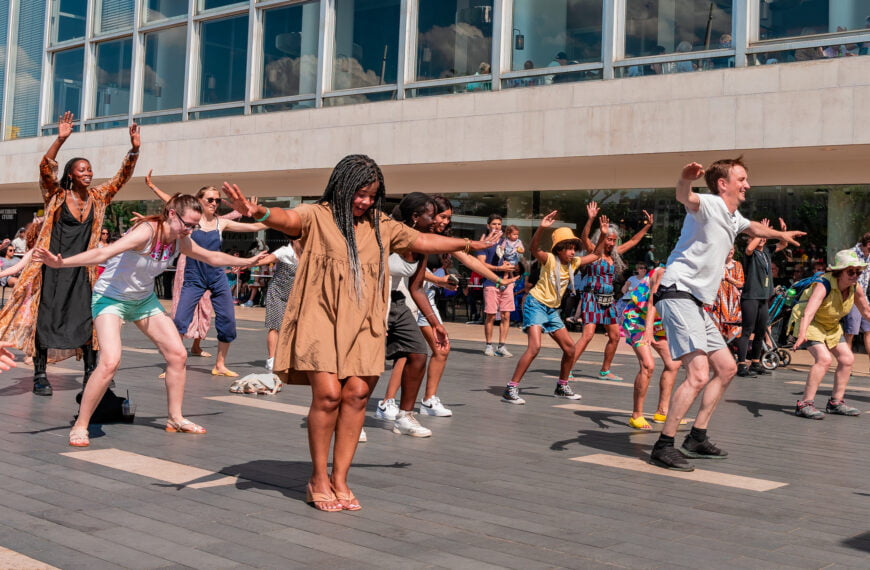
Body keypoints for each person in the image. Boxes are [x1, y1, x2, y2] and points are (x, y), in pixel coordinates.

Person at [221, 155, 498, 512]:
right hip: (320, 316)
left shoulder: (382, 226)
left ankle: (340, 479)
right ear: (341, 186)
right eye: (359, 193)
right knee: (328, 396)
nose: (365, 201)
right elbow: (287, 219)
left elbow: (423, 241)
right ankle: (318, 478)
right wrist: (257, 212)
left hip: (365, 319)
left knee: (356, 395)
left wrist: (467, 245)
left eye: (371, 195)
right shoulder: (317, 215)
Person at [34, 194, 265, 447]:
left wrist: (246, 261)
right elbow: (104, 253)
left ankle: (175, 418)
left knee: (178, 355)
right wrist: (61, 263)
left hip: (143, 301)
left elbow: (211, 257)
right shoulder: (146, 232)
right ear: (172, 214)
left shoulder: (180, 239)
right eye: (188, 224)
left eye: (194, 226)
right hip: (111, 299)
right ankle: (81, 425)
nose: (190, 230)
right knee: (110, 362)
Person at [648, 159, 803, 472]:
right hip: (678, 292)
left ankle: (697, 437)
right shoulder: (708, 204)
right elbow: (684, 196)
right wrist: (684, 178)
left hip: (695, 302)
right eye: (742, 179)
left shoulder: (732, 216)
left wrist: (778, 235)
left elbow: (753, 227)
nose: (746, 185)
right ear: (723, 184)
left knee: (728, 367)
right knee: (698, 374)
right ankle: (663, 445)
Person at [0, 111, 139, 396]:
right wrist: (60, 140)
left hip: (82, 270)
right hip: (51, 270)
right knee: (45, 319)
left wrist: (134, 150)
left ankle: (92, 371)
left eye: (90, 169)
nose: (88, 173)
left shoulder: (99, 198)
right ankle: (40, 374)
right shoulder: (57, 196)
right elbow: (44, 168)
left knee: (88, 320)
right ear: (71, 174)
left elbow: (120, 178)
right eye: (82, 170)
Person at [376, 195, 514, 426]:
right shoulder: (403, 235)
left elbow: (468, 260)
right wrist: (442, 278)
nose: (444, 222)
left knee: (437, 348)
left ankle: (427, 400)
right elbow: (407, 273)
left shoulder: (437, 238)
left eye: (448, 218)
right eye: (441, 216)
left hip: (420, 297)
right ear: (421, 216)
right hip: (396, 298)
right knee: (405, 352)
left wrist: (498, 281)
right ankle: (386, 402)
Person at [144, 172, 266, 377]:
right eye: (210, 199)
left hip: (217, 276)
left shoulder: (221, 223)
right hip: (194, 276)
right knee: (180, 320)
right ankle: (173, 364)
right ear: (199, 201)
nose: (215, 203)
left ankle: (220, 364)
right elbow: (172, 203)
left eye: (217, 200)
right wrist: (153, 187)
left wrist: (264, 214)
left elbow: (255, 226)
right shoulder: (190, 221)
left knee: (227, 320)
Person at [501, 211, 605, 404]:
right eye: (569, 248)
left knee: (570, 349)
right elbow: (533, 248)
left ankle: (562, 386)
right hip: (535, 304)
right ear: (558, 249)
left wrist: (604, 235)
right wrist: (541, 228)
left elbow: (597, 254)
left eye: (574, 248)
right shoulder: (549, 259)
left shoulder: (573, 263)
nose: (573, 252)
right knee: (535, 347)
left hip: (551, 310)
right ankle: (511, 388)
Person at [571, 202, 653, 380]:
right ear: (602, 237)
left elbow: (633, 241)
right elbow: (584, 236)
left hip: (608, 299)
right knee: (588, 335)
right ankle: (567, 369)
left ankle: (605, 371)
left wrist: (647, 226)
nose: (612, 243)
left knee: (615, 336)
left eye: (614, 240)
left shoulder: (614, 254)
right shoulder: (594, 251)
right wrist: (590, 219)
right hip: (592, 297)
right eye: (609, 239)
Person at [790, 249, 870, 419]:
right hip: (811, 324)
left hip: (831, 326)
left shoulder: (855, 288)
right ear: (839, 272)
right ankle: (804, 404)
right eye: (850, 271)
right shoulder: (823, 285)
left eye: (858, 271)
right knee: (824, 359)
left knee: (847, 359)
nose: (855, 275)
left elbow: (866, 312)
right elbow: (809, 312)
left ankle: (836, 402)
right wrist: (802, 334)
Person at [621, 267, 681, 429]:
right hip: (637, 317)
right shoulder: (663, 272)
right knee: (648, 365)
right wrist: (648, 330)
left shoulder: (691, 276)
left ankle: (662, 411)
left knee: (673, 364)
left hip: (658, 321)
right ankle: (636, 415)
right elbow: (652, 301)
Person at [737, 218, 787, 377]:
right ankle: (741, 364)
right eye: (760, 236)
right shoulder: (750, 253)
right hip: (750, 296)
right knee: (747, 330)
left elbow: (783, 244)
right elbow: (750, 248)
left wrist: (782, 232)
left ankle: (756, 362)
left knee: (761, 330)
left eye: (765, 236)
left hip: (763, 297)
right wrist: (760, 231)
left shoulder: (766, 251)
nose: (763, 238)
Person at [478, 214, 516, 358]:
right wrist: (498, 269)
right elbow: (481, 263)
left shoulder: (507, 242)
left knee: (506, 315)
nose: (497, 226)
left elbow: (513, 259)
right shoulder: (483, 243)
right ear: (488, 226)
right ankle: (489, 345)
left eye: (499, 224)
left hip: (507, 283)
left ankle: (502, 346)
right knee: (491, 315)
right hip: (490, 283)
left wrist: (510, 265)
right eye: (494, 224)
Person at [259, 241, 301, 372]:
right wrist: (244, 264)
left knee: (295, 327)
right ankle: (271, 359)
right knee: (275, 325)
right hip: (277, 292)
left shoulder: (308, 253)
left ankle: (290, 357)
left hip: (296, 295)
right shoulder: (284, 251)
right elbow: (266, 260)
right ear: (294, 240)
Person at [708, 247, 744, 344]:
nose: (730, 251)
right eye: (728, 249)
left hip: (734, 303)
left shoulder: (737, 265)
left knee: (733, 326)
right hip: (718, 300)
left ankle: (731, 347)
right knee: (717, 327)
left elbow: (741, 284)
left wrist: (728, 278)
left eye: (732, 249)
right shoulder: (716, 265)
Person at [842, 233, 870, 358]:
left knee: (869, 330)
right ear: (868, 244)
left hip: (863, 296)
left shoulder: (869, 255)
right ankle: (846, 362)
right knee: (851, 332)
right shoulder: (851, 254)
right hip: (852, 296)